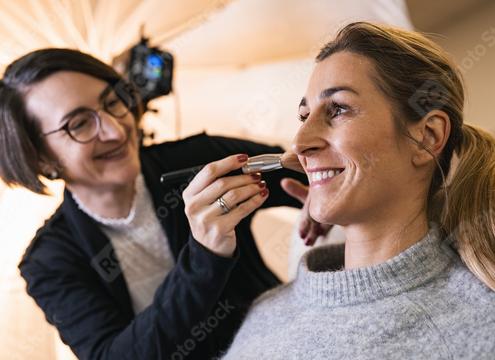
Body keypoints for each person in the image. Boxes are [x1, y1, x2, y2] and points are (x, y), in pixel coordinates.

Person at [221, 22, 495, 359]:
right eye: (304, 116)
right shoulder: (266, 312)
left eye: (338, 109)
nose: (299, 143)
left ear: (427, 137)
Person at [0, 48, 308, 359]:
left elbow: (305, 169)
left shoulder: (197, 160)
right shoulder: (49, 262)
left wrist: (320, 204)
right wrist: (205, 255)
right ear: (40, 157)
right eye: (79, 124)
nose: (115, 130)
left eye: (112, 102)